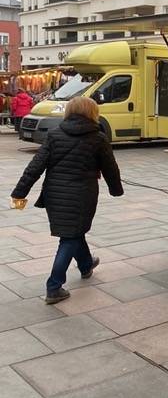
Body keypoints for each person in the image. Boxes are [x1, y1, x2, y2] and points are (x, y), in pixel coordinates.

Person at [10, 96, 123, 304]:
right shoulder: (98, 138)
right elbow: (110, 168)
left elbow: (35, 166)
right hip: (83, 194)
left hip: (54, 194)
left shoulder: (54, 135)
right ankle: (54, 286)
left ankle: (86, 264)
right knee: (70, 237)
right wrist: (116, 189)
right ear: (92, 112)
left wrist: (20, 192)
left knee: (74, 231)